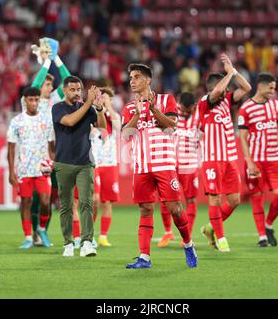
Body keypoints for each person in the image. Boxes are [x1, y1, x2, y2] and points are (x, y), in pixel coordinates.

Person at [122, 63, 198, 269]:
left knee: (174, 208)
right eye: (130, 77)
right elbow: (126, 134)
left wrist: (153, 108)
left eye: (136, 77)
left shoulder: (166, 99)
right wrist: (138, 114)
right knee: (146, 209)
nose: (132, 81)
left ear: (147, 80)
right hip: (142, 166)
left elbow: (172, 124)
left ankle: (188, 244)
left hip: (164, 164)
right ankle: (144, 258)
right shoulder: (129, 107)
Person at [198, 54, 252, 252]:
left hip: (230, 158)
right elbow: (220, 89)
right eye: (225, 87)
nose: (228, 90)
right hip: (212, 159)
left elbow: (247, 88)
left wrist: (234, 72)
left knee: (234, 200)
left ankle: (211, 228)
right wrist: (227, 76)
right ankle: (221, 239)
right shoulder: (205, 102)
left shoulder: (227, 101)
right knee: (215, 198)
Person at [52, 76, 106, 258]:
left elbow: (102, 127)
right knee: (66, 206)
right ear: (65, 91)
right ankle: (68, 242)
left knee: (86, 203)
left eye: (79, 90)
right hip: (63, 163)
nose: (76, 93)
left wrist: (99, 109)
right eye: (73, 90)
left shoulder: (88, 107)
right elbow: (69, 121)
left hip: (85, 163)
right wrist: (89, 103)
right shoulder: (57, 108)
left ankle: (86, 243)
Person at [26, 50, 71, 246]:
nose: (50, 86)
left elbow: (69, 80)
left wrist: (56, 58)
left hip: (54, 154)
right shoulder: (30, 101)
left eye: (51, 84)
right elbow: (35, 84)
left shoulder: (54, 100)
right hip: (34, 156)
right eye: (47, 83)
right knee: (35, 199)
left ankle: (42, 230)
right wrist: (46, 62)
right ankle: (34, 233)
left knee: (51, 198)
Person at [238, 73, 278, 247]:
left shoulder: (275, 106)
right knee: (257, 197)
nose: (273, 91)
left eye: (275, 88)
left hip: (273, 159)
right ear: (261, 86)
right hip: (256, 160)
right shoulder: (246, 108)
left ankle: (268, 224)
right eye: (271, 88)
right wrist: (249, 161)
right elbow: (242, 137)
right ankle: (262, 237)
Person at [7, 87, 55, 249]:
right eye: (31, 99)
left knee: (45, 201)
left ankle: (41, 229)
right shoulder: (17, 121)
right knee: (26, 202)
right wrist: (11, 172)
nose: (34, 103)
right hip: (24, 169)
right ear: (24, 100)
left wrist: (54, 163)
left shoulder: (46, 121)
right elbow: (11, 149)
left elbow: (52, 147)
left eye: (36, 99)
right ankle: (28, 237)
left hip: (42, 168)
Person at [158, 92, 200, 248]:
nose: (187, 112)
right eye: (184, 109)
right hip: (171, 164)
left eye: (190, 110)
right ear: (179, 105)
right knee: (165, 200)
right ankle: (168, 232)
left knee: (191, 200)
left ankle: (186, 236)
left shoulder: (198, 116)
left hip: (190, 165)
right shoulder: (171, 113)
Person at [90, 87, 121, 247]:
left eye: (107, 98)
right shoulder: (90, 114)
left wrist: (108, 107)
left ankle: (103, 236)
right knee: (94, 200)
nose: (103, 100)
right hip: (93, 163)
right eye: (102, 97)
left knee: (107, 202)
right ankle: (89, 233)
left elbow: (118, 128)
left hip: (110, 163)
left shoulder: (113, 116)